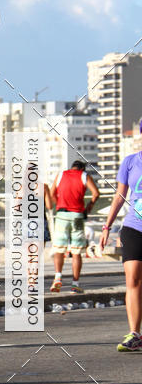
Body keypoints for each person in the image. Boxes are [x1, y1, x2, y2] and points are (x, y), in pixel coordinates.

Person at [100, 133, 142, 351]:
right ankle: (135, 333)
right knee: (133, 279)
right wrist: (107, 227)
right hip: (134, 226)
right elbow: (119, 196)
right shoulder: (130, 161)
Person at [49, 160, 99, 294]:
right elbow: (96, 193)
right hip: (77, 215)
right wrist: (89, 206)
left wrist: (59, 204)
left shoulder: (60, 175)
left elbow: (52, 193)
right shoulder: (84, 176)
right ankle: (75, 284)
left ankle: (57, 278)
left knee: (59, 248)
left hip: (62, 215)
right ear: (82, 169)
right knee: (76, 252)